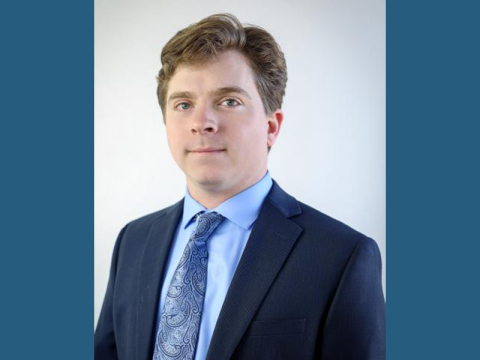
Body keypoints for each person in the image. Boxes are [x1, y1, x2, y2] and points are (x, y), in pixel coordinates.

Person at [94, 13, 386, 360]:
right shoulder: (133, 241)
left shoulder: (342, 257)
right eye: (184, 104)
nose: (202, 123)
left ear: (271, 126)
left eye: (228, 101)